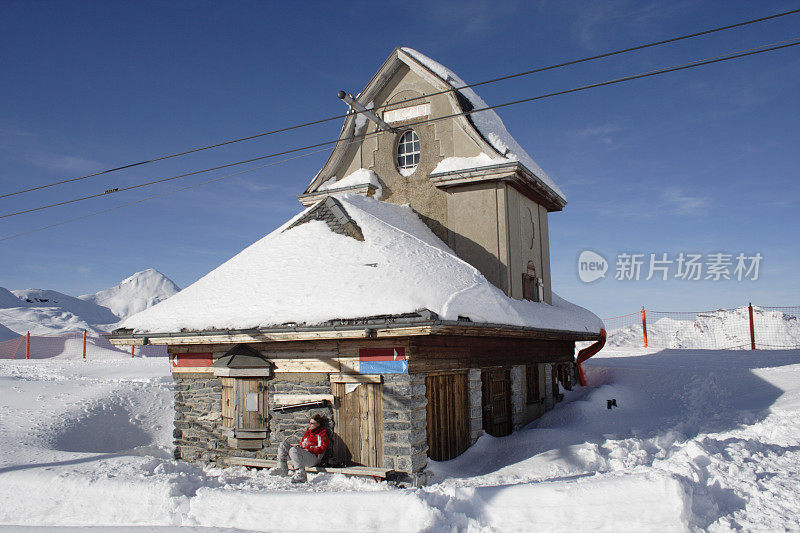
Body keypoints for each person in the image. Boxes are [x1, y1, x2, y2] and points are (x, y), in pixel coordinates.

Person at [269, 414, 329, 483]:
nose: (310, 425)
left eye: (312, 423)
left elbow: (322, 448)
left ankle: (301, 474)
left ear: (318, 424)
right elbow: (303, 444)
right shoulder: (308, 432)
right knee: (283, 445)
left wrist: (309, 449)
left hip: (314, 458)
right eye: (309, 423)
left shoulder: (322, 434)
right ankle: (282, 468)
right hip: (304, 454)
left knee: (293, 450)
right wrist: (300, 447)